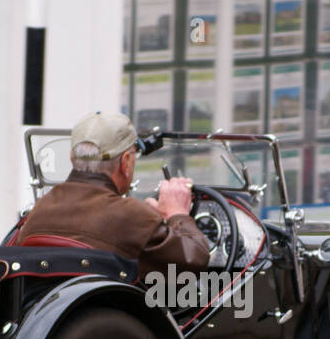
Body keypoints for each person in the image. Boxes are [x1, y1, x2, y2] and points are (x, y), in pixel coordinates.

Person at [15, 111, 210, 278]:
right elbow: (194, 259)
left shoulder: (40, 208)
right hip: (113, 318)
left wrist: (151, 220)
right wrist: (177, 214)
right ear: (125, 162)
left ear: (71, 157)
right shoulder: (131, 215)